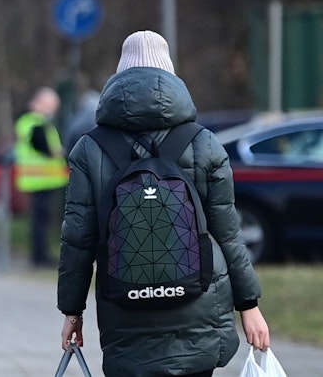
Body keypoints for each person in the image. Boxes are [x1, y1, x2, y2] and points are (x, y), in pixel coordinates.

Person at [57, 31, 270, 377]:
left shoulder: (89, 149)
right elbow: (228, 232)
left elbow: (77, 239)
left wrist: (72, 311)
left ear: (120, 77)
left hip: (125, 307)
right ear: (169, 75)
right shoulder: (204, 143)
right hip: (199, 303)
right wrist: (249, 305)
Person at [15, 87, 69, 269]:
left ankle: (41, 255)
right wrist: (57, 152)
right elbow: (43, 147)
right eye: (52, 105)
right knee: (40, 221)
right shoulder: (35, 122)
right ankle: (40, 257)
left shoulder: (33, 122)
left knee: (41, 221)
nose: (54, 109)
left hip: (42, 179)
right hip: (40, 179)